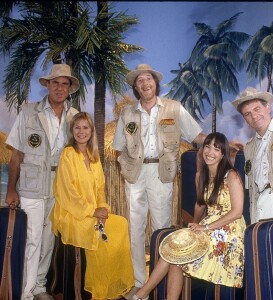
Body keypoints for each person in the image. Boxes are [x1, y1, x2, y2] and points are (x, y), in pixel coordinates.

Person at [112, 64, 243, 290]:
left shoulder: (173, 108)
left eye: (149, 79)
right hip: (135, 174)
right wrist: (125, 167)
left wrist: (226, 144)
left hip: (162, 173)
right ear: (135, 87)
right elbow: (117, 147)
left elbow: (196, 134)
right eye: (140, 81)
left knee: (161, 227)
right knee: (135, 226)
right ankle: (139, 282)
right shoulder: (127, 113)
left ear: (155, 83)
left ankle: (158, 280)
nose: (145, 84)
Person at [131, 132, 246, 300]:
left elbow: (237, 212)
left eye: (216, 148)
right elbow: (200, 204)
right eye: (207, 146)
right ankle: (142, 295)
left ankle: (141, 295)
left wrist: (205, 227)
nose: (210, 152)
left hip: (230, 229)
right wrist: (192, 225)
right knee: (176, 252)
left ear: (223, 154)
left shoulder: (232, 175)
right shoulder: (201, 176)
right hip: (209, 225)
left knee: (179, 254)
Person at [5, 64, 79, 300]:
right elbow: (16, 155)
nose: (59, 88)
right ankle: (25, 294)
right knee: (33, 239)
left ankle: (38, 287)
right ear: (47, 85)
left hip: (60, 187)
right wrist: (10, 190)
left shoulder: (74, 116)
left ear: (70, 88)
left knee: (48, 239)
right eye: (55, 82)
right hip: (32, 185)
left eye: (64, 83)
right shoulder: (28, 112)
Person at [51, 112, 134, 299]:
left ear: (91, 131)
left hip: (93, 212)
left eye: (85, 127)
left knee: (120, 224)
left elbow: (100, 191)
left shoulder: (94, 157)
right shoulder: (68, 154)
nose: (81, 132)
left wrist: (103, 208)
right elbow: (66, 192)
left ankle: (106, 285)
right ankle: (91, 288)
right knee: (91, 230)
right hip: (71, 214)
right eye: (77, 127)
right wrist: (92, 211)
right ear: (72, 131)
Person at [232, 87, 273, 223]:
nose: (254, 116)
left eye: (257, 109)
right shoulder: (249, 148)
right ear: (245, 119)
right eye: (247, 114)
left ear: (268, 107)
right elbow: (249, 187)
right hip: (260, 211)